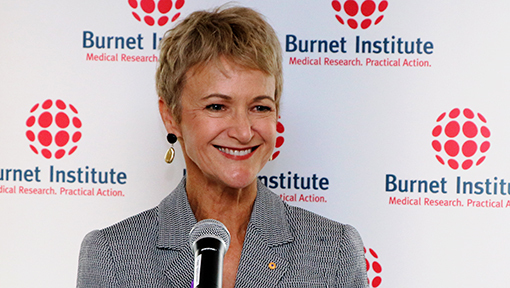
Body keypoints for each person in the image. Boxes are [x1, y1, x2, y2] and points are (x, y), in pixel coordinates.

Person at [77, 6, 368, 288]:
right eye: (217, 106)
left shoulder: (335, 252)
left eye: (260, 107)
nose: (243, 131)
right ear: (171, 117)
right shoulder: (112, 256)